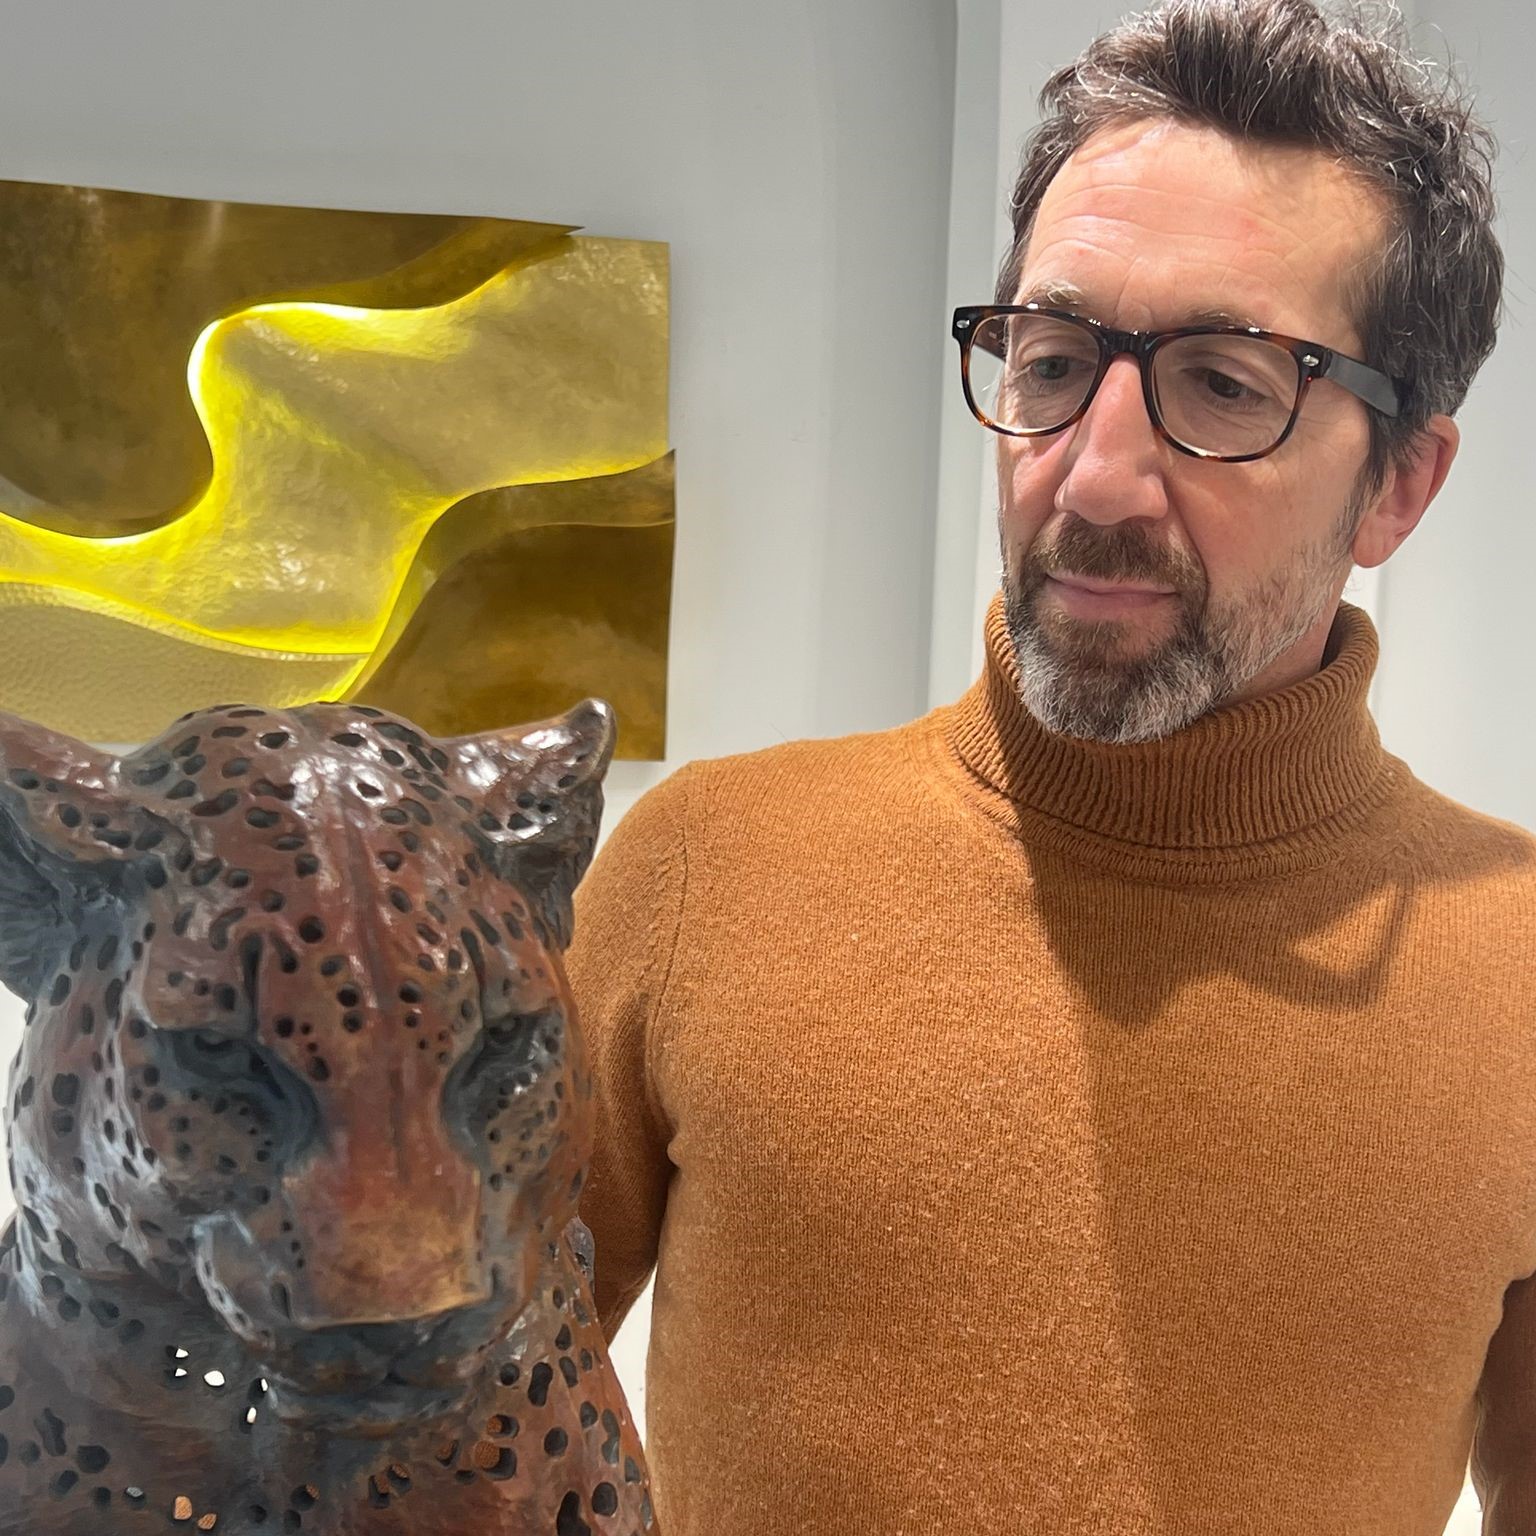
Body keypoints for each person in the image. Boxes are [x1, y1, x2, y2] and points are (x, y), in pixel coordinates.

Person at [565, 3, 1535, 1532]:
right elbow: (428, 1416)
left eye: (1225, 384)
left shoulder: (1518, 967)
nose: (1093, 474)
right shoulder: (703, 870)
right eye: (1056, 358)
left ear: (1400, 482)